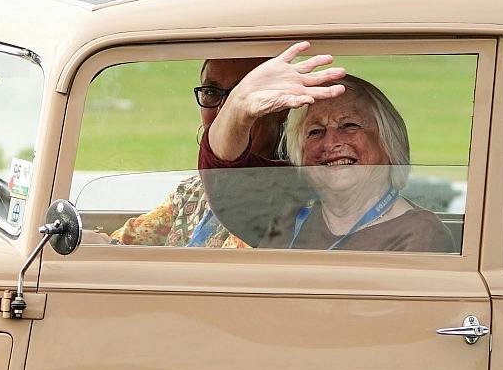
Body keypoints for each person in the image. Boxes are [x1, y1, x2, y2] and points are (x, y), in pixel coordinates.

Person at [102, 45, 335, 248]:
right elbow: (120, 245)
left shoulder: (301, 195)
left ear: (282, 107)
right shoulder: (192, 193)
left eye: (241, 93)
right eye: (211, 92)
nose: (224, 109)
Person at [274, 77, 453, 253]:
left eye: (349, 125)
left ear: (388, 142)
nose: (330, 143)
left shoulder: (421, 233)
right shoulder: (291, 224)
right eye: (316, 131)